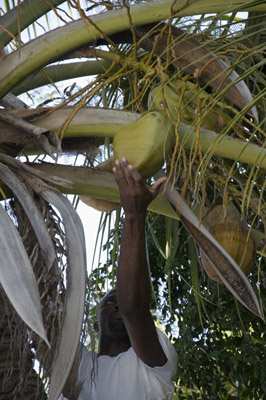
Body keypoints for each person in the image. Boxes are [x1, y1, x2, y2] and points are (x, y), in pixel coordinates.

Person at [61, 158, 177, 400]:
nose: (117, 305)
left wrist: (134, 214)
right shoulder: (77, 364)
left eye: (118, 298)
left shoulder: (151, 364)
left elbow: (132, 310)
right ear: (94, 325)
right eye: (109, 302)